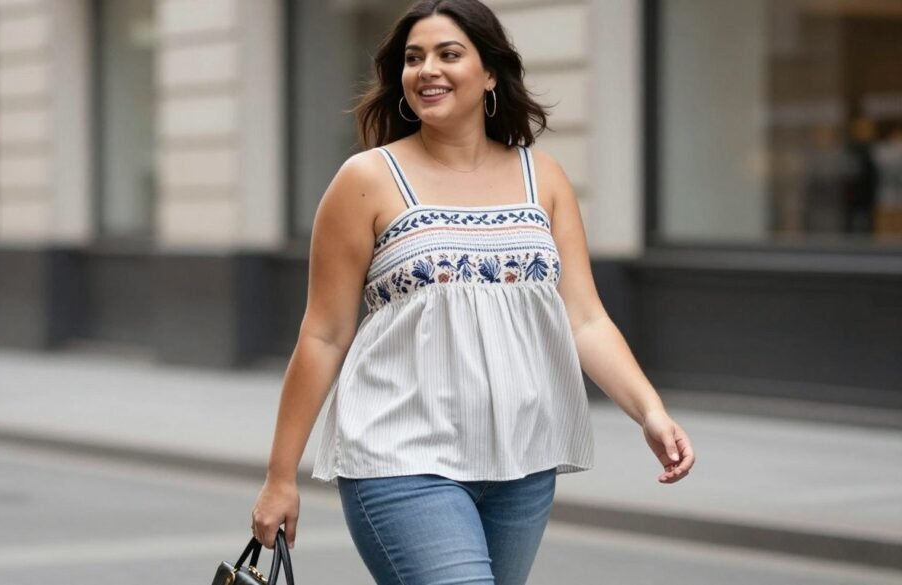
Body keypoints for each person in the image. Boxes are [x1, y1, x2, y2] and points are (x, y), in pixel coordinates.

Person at [251, 1, 695, 583]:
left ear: (489, 73)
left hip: (523, 461)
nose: (427, 70)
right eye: (414, 58)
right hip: (400, 457)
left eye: (448, 54)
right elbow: (324, 335)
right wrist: (280, 476)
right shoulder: (366, 179)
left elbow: (585, 318)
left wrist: (650, 412)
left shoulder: (544, 178)